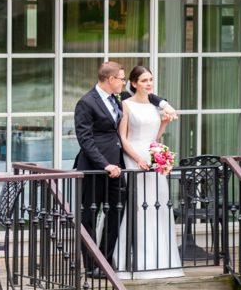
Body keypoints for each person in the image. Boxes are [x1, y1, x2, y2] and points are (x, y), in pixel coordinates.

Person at [74, 62, 175, 273]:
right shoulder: (86, 102)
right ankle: (91, 265)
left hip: (119, 166)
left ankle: (105, 260)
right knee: (89, 216)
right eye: (121, 79)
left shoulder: (118, 98)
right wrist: (105, 164)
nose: (123, 82)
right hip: (95, 167)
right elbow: (85, 140)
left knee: (116, 212)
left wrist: (164, 104)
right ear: (110, 80)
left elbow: (146, 96)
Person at [114, 65, 183, 279]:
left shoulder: (153, 106)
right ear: (133, 83)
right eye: (144, 80)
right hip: (134, 157)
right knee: (137, 206)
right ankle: (133, 259)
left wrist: (163, 122)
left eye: (150, 80)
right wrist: (137, 158)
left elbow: (155, 137)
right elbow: (123, 138)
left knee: (157, 205)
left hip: (153, 158)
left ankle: (159, 259)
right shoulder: (125, 105)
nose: (149, 84)